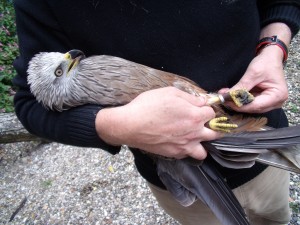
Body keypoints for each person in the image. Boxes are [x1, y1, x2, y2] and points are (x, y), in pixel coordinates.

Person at [13, 0, 300, 224]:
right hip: (186, 175)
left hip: (261, 140)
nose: (73, 56)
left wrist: (273, 47)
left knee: (275, 217)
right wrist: (115, 125)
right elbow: (30, 103)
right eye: (64, 65)